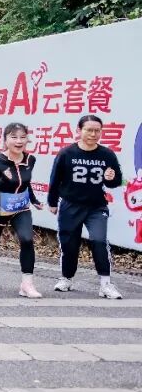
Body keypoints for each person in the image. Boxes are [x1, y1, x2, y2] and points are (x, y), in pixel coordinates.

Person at [48, 114, 125, 299]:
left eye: (97, 130)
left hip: (96, 207)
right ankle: (66, 278)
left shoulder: (107, 154)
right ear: (79, 130)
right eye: (89, 130)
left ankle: (105, 284)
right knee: (69, 244)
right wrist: (52, 202)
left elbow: (116, 181)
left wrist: (111, 178)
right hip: (70, 205)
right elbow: (55, 179)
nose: (93, 134)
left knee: (99, 241)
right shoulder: (66, 153)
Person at [0, 122, 44, 299]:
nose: (19, 141)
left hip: (20, 207)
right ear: (5, 140)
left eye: (23, 137)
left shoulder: (30, 159)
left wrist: (34, 200)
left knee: (27, 240)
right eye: (14, 137)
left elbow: (25, 183)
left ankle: (27, 284)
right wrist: (2, 181)